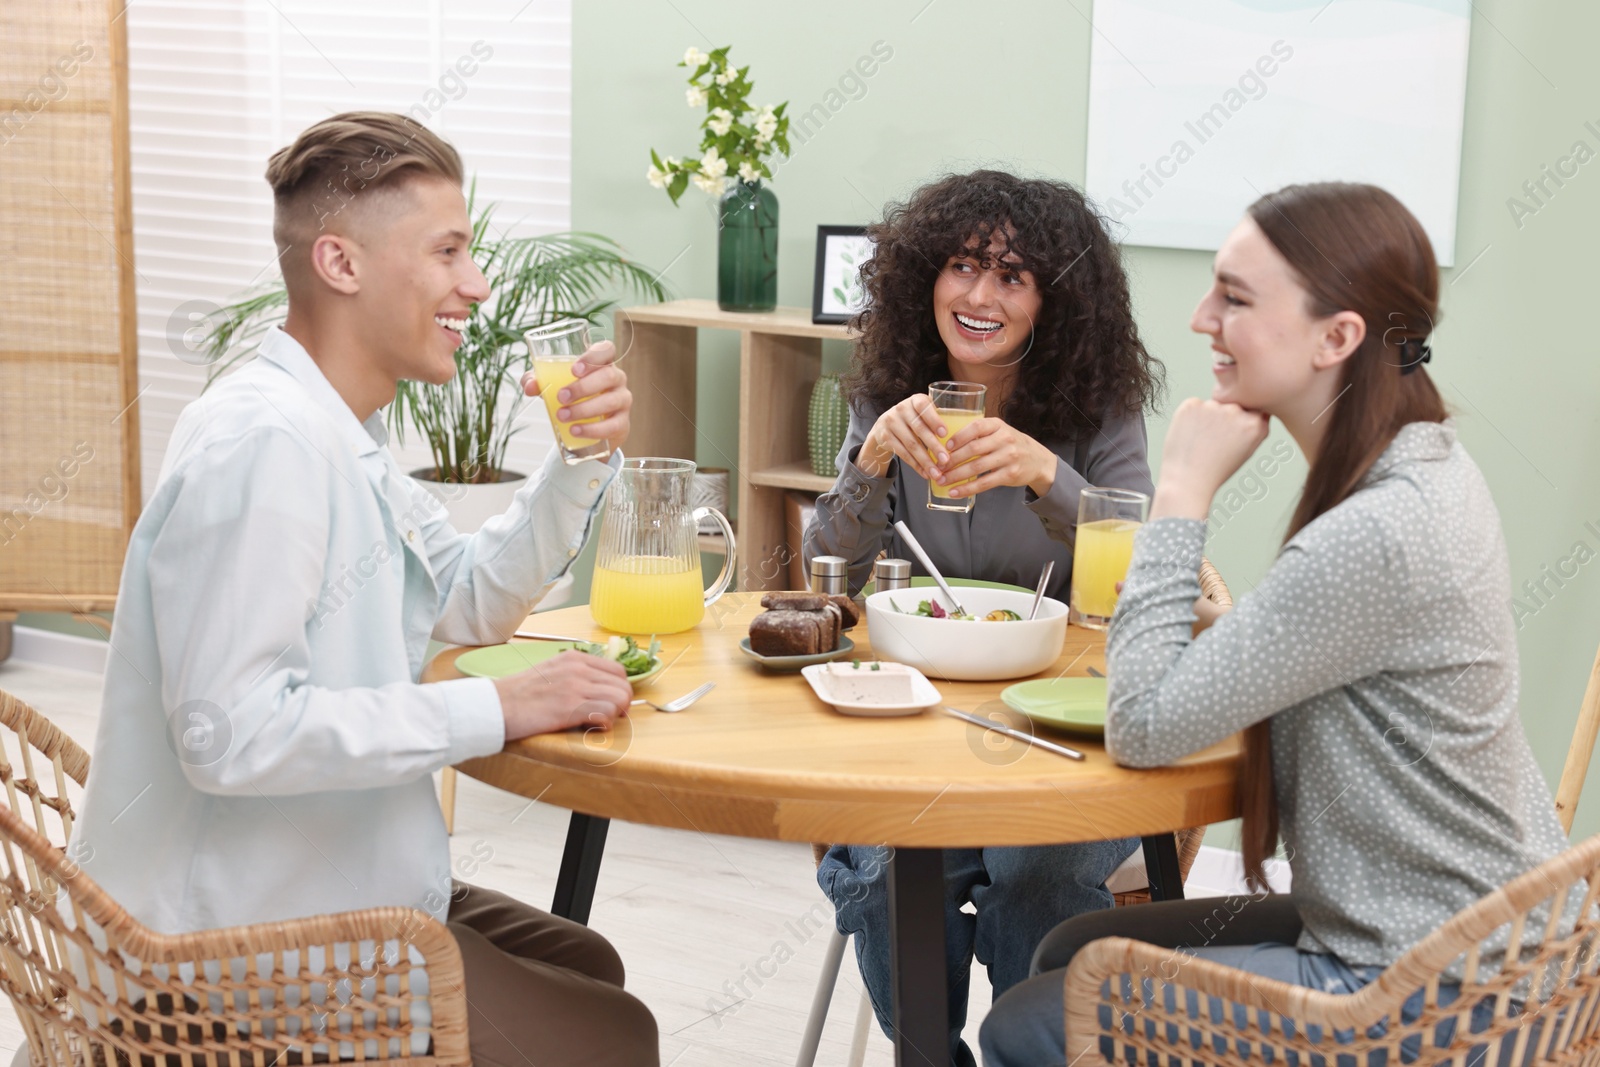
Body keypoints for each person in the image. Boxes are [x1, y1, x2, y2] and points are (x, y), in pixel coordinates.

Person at [68, 112, 658, 1067]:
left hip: (325, 886)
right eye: (448, 252)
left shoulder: (342, 429)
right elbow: (232, 733)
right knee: (614, 1036)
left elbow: (462, 599)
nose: (477, 285)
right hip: (214, 959)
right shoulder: (267, 448)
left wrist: (577, 461)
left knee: (588, 959)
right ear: (341, 265)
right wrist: (496, 705)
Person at [980, 182, 1573, 1067]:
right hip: (1498, 942)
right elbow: (1348, 647)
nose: (1200, 316)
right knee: (1069, 953)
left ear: (1338, 338)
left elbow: (1138, 727)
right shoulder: (1430, 462)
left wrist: (1181, 494)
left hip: (1436, 989)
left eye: (1235, 297)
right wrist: (1233, 623)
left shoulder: (1377, 527)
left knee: (1031, 1020)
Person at [803, 170, 1164, 1066]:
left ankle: (1029, 1053)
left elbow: (1148, 570)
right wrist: (871, 460)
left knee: (1036, 869)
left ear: (1055, 302)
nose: (978, 295)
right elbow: (831, 569)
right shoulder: (889, 388)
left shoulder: (1096, 404)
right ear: (926, 276)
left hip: (1064, 720)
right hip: (916, 716)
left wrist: (1049, 473)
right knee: (891, 869)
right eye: (963, 266)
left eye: (1013, 277)